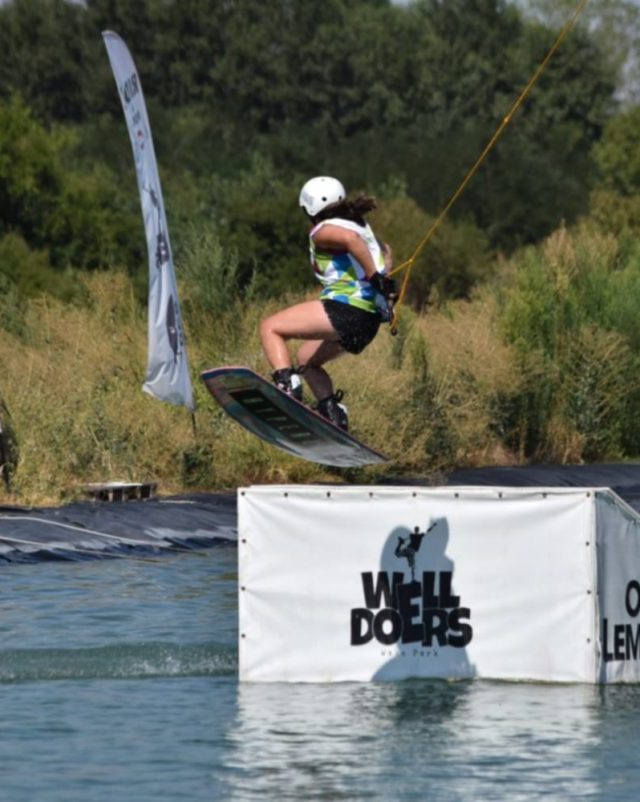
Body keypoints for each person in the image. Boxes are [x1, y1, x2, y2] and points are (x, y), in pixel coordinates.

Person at [259, 176, 396, 431]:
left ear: (309, 209)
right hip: (367, 323)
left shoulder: (324, 231)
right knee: (306, 359)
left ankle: (286, 388)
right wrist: (382, 278)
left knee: (270, 328)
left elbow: (351, 241)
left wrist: (375, 277)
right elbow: (385, 252)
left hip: (346, 309)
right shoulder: (361, 227)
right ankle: (332, 413)